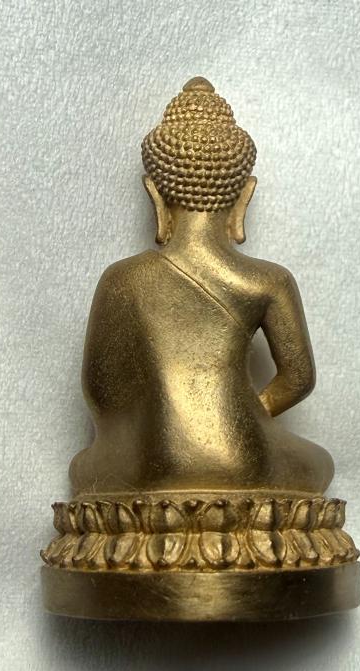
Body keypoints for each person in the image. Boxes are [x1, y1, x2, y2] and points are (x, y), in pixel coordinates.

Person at [69, 77, 334, 498]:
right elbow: (298, 379)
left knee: (84, 471)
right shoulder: (268, 280)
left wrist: (142, 440)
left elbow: (100, 393)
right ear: (244, 197)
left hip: (145, 463)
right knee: (319, 463)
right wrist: (245, 419)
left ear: (155, 196)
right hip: (246, 456)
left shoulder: (121, 280)